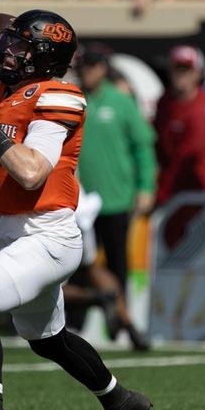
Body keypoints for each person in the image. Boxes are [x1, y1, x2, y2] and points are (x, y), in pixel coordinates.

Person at [0, 9, 151, 410]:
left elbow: (31, 172)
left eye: (18, 48)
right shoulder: (1, 95)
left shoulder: (57, 94)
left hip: (47, 235)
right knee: (48, 339)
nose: (6, 53)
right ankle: (120, 401)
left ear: (44, 57)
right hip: (10, 234)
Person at [74, 44, 157, 345]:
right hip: (79, 201)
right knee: (76, 265)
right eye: (84, 65)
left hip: (116, 197)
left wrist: (145, 188)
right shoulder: (74, 100)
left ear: (104, 69)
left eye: (94, 65)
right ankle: (75, 325)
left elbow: (143, 147)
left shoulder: (121, 103)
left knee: (118, 264)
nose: (88, 71)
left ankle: (120, 324)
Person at [154, 44, 205, 206]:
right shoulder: (164, 103)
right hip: (169, 191)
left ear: (198, 73)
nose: (181, 75)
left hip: (199, 191)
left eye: (187, 69)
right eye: (177, 68)